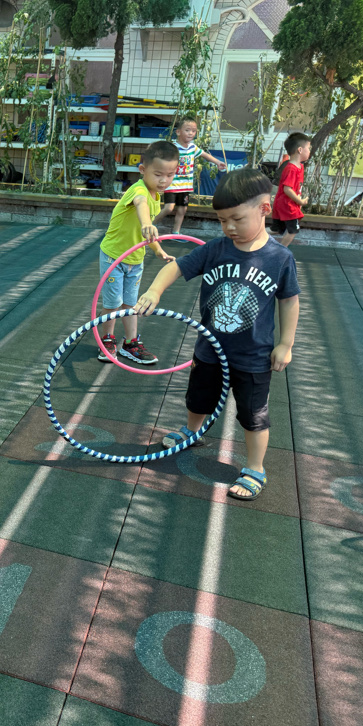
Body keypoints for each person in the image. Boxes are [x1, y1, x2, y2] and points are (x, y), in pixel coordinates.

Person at [135, 167, 300, 501]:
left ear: (264, 209)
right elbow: (175, 266)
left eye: (237, 219)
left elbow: (289, 300)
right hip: (209, 348)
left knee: (253, 415)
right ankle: (192, 431)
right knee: (198, 398)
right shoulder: (216, 249)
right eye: (223, 221)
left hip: (253, 355)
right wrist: (153, 291)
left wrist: (286, 343)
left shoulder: (280, 258)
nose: (229, 227)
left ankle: (255, 467)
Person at [95, 141, 178, 365]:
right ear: (143, 170)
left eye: (170, 175)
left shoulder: (156, 195)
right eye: (158, 174)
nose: (164, 180)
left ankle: (131, 343)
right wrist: (146, 224)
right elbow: (141, 205)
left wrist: (158, 250)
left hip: (135, 259)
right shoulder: (139, 190)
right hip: (114, 256)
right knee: (113, 302)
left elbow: (147, 232)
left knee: (131, 304)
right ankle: (107, 339)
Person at [155, 116, 226, 234]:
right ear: (178, 132)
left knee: (182, 209)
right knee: (169, 208)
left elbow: (205, 155)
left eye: (193, 131)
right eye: (187, 130)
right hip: (172, 184)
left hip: (185, 185)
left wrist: (218, 162)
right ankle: (151, 224)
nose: (191, 133)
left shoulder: (193, 147)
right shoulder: (173, 148)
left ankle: (176, 232)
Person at [271, 132, 311, 247]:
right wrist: (300, 201)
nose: (309, 151)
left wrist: (298, 199)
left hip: (287, 204)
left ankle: (253, 235)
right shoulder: (291, 169)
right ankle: (281, 251)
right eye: (308, 148)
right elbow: (287, 189)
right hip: (287, 205)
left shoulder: (300, 166)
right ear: (300, 150)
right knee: (293, 230)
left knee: (277, 229)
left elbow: (295, 187)